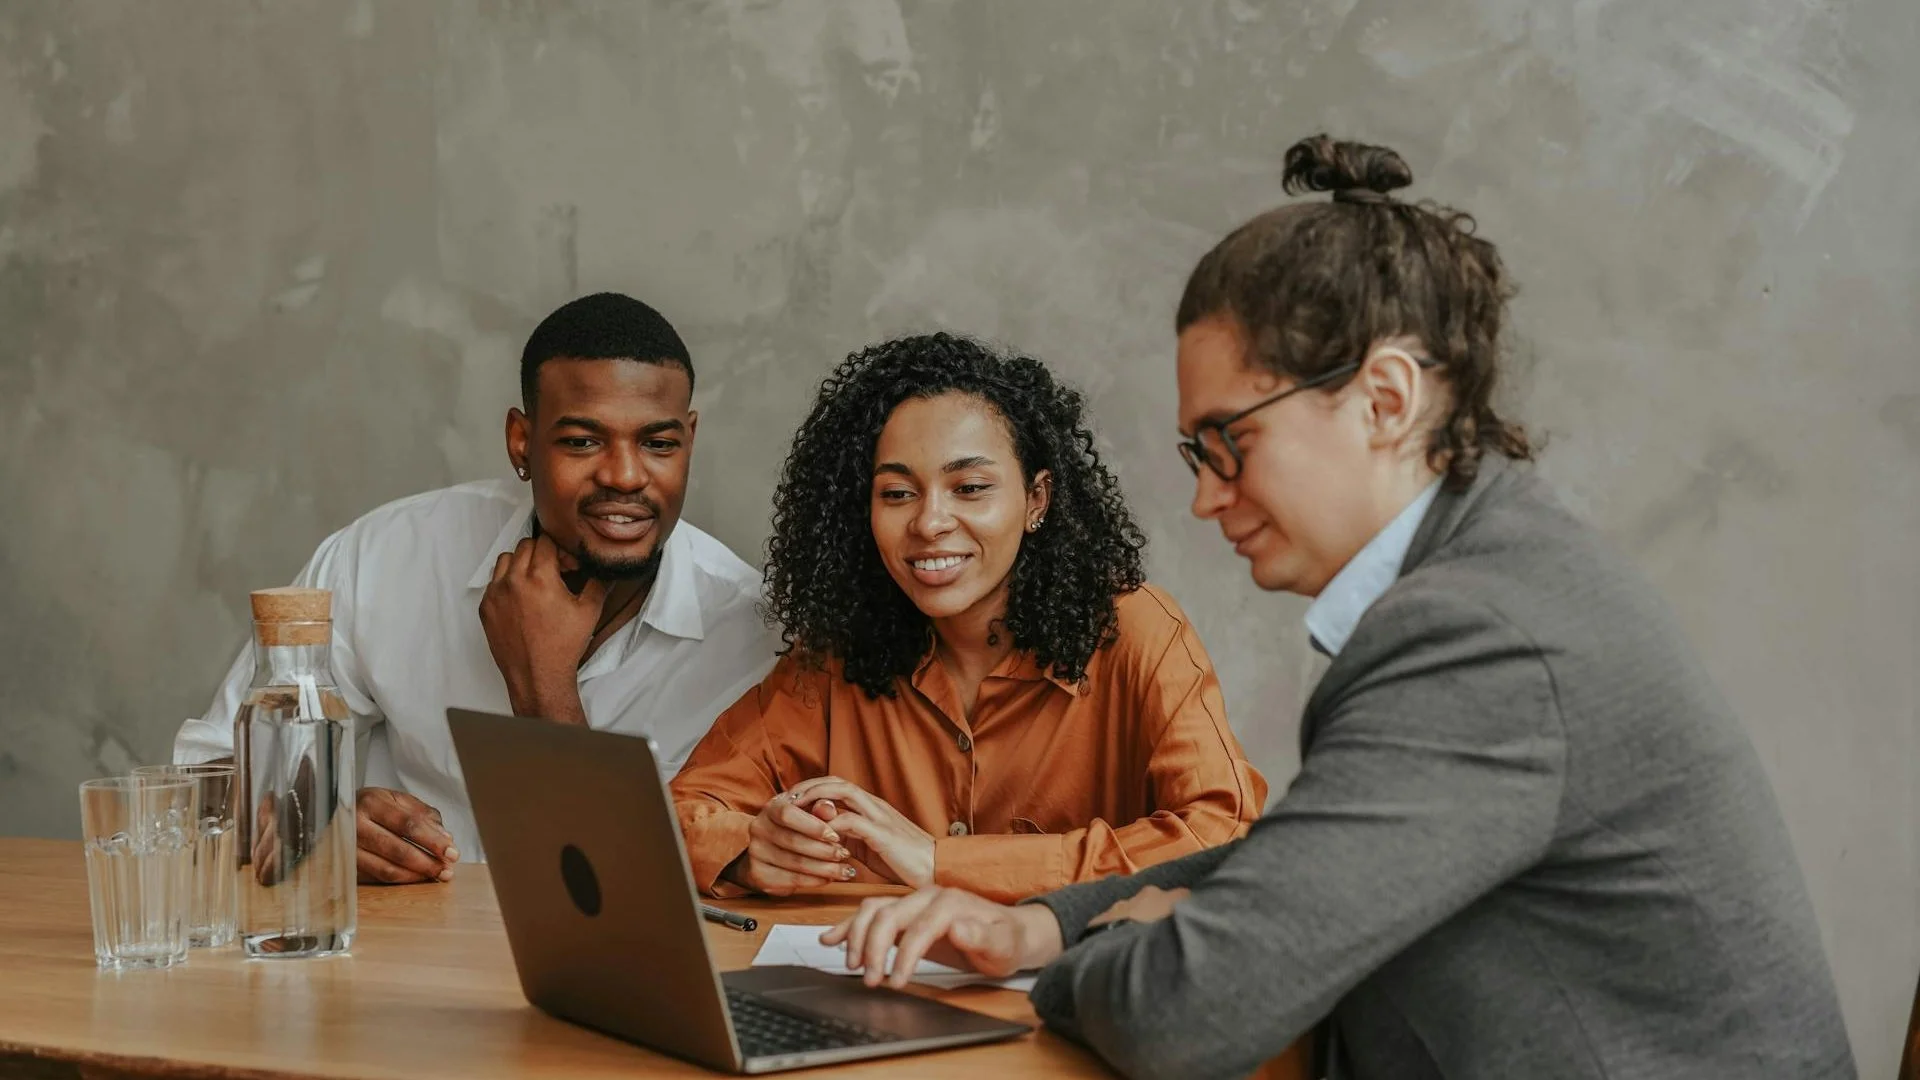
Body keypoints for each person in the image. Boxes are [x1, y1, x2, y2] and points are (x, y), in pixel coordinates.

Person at [822, 137, 1855, 1079]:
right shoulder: (1500, 574)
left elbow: (1184, 1016)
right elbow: (1312, 853)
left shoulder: (1483, 633)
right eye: (1196, 452)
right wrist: (1043, 922)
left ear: (1386, 400)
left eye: (1229, 441)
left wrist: (1100, 951)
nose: (1205, 495)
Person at [176, 293, 779, 886]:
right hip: (403, 969)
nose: (624, 475)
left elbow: (626, 883)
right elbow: (197, 788)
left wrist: (543, 687)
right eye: (582, 441)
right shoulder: (385, 557)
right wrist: (308, 822)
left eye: (658, 443)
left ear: (689, 441)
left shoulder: (751, 636)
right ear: (521, 441)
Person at [670, 334, 1267, 904]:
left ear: (1037, 500)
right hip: (878, 997)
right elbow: (676, 812)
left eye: (970, 487)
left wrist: (939, 863)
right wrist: (750, 849)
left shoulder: (1138, 634)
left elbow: (1226, 836)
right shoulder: (835, 658)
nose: (930, 522)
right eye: (898, 494)